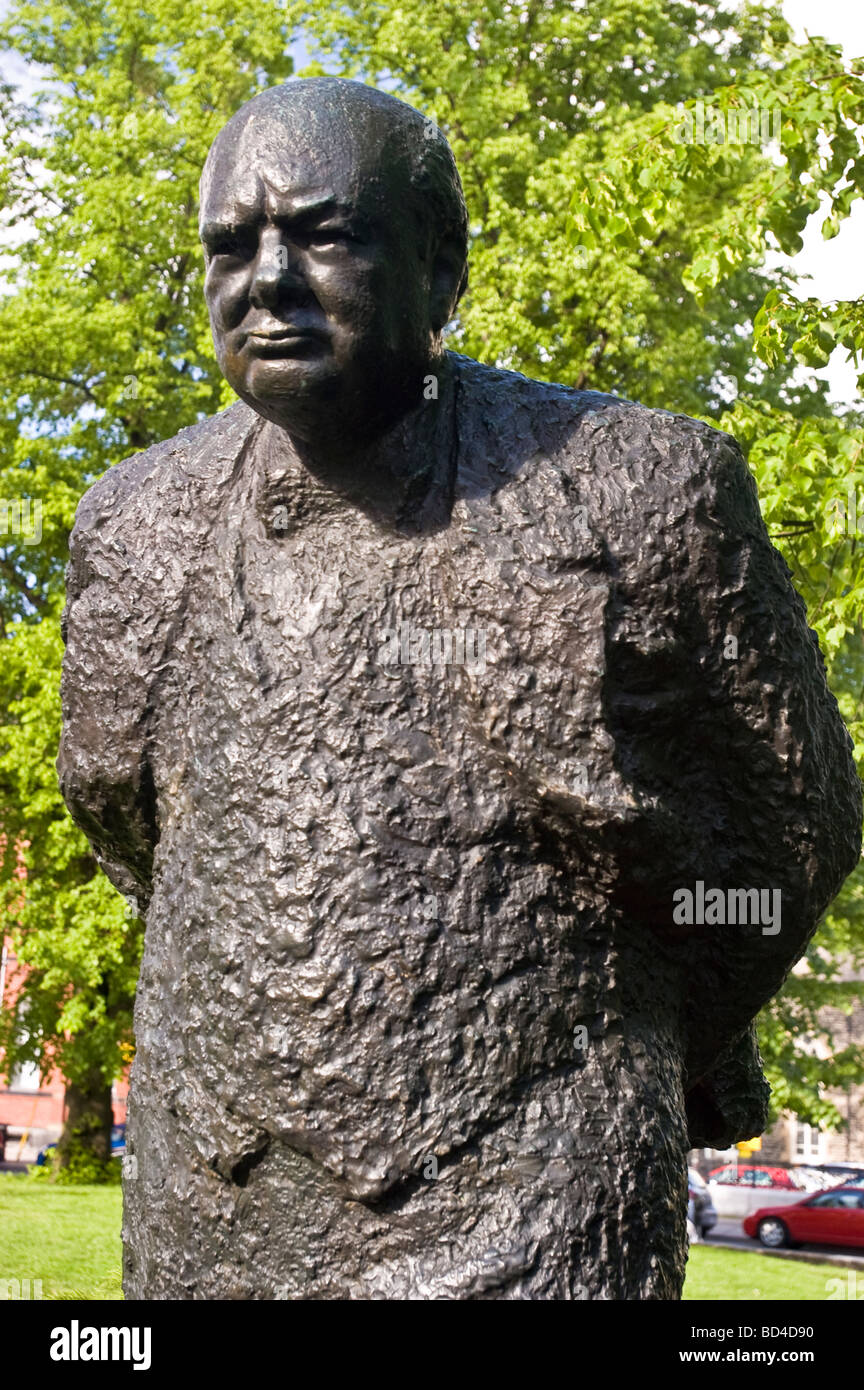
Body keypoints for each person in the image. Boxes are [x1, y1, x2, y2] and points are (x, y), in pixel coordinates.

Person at [58, 77, 861, 1300]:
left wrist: (624, 1034)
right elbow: (126, 815)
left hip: (536, 1185)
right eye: (233, 244)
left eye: (323, 233)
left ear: (442, 268)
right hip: (208, 1189)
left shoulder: (648, 492)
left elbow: (790, 829)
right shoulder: (132, 525)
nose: (267, 278)